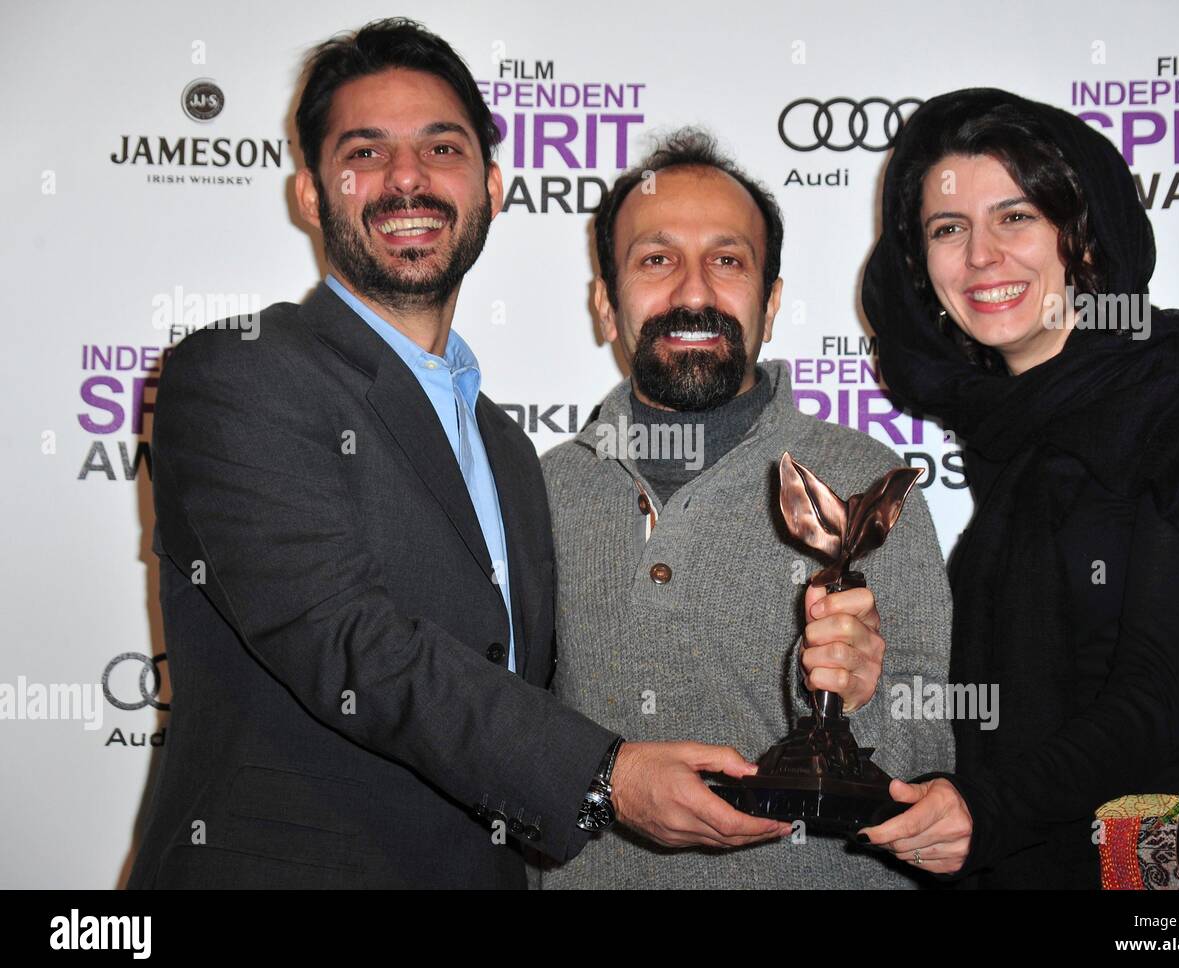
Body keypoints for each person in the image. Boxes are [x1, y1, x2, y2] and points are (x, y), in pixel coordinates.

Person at [126, 20, 786, 890]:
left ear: (492, 187)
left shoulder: (512, 452)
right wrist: (604, 777)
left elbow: (546, 686)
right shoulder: (240, 371)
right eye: (367, 151)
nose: (407, 177)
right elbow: (346, 638)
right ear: (312, 197)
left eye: (442, 147)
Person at [857, 87, 1179, 889]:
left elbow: (1157, 691)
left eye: (1016, 216)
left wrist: (987, 808)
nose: (982, 255)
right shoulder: (1008, 440)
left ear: (1081, 232)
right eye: (949, 229)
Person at [537, 129, 955, 889]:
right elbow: (508, 743)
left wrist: (858, 696)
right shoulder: (537, 491)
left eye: (728, 261)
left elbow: (933, 761)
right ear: (605, 305)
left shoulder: (868, 482)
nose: (693, 292)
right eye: (656, 259)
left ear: (772, 301)